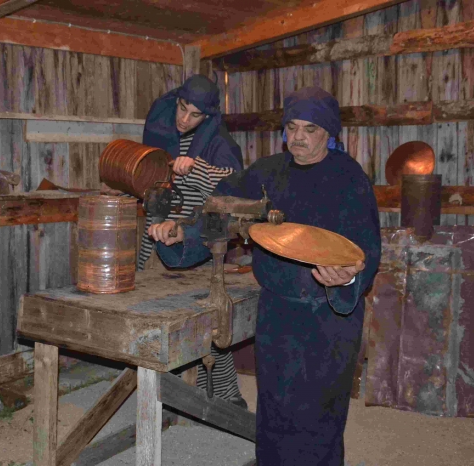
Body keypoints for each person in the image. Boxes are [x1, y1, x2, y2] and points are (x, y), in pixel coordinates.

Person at [148, 87, 381, 466]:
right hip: (277, 313)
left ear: (329, 133)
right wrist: (180, 235)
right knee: (273, 414)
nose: (299, 138)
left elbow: (367, 249)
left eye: (310, 129)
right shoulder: (265, 173)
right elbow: (220, 214)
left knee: (318, 417)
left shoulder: (348, 179)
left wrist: (348, 280)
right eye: (292, 127)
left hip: (328, 320)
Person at [133, 74, 247, 408]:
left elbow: (230, 197)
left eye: (195, 114)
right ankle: (164, 397)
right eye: (182, 108)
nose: (184, 119)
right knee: (152, 315)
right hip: (157, 234)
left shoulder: (220, 145)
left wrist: (196, 169)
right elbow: (150, 179)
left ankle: (228, 397)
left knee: (207, 323)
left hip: (198, 241)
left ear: (209, 116)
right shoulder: (162, 131)